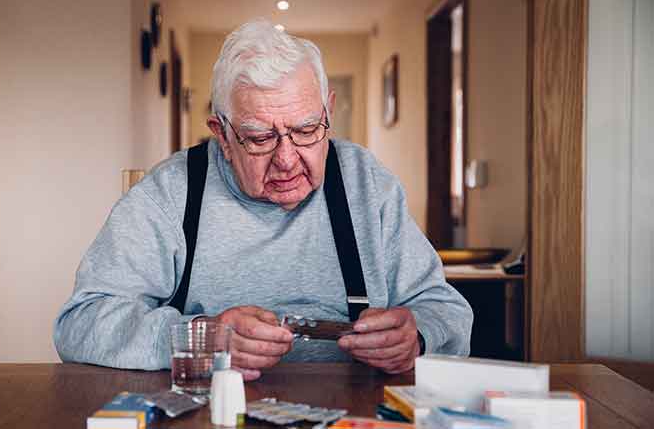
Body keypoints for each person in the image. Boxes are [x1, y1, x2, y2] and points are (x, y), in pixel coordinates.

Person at [54, 20, 472, 380]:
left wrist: (416, 337)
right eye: (259, 138)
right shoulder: (171, 192)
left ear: (328, 110)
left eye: (307, 130)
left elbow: (446, 311)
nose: (287, 160)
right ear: (221, 134)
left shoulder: (367, 183)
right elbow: (80, 323)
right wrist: (199, 338)